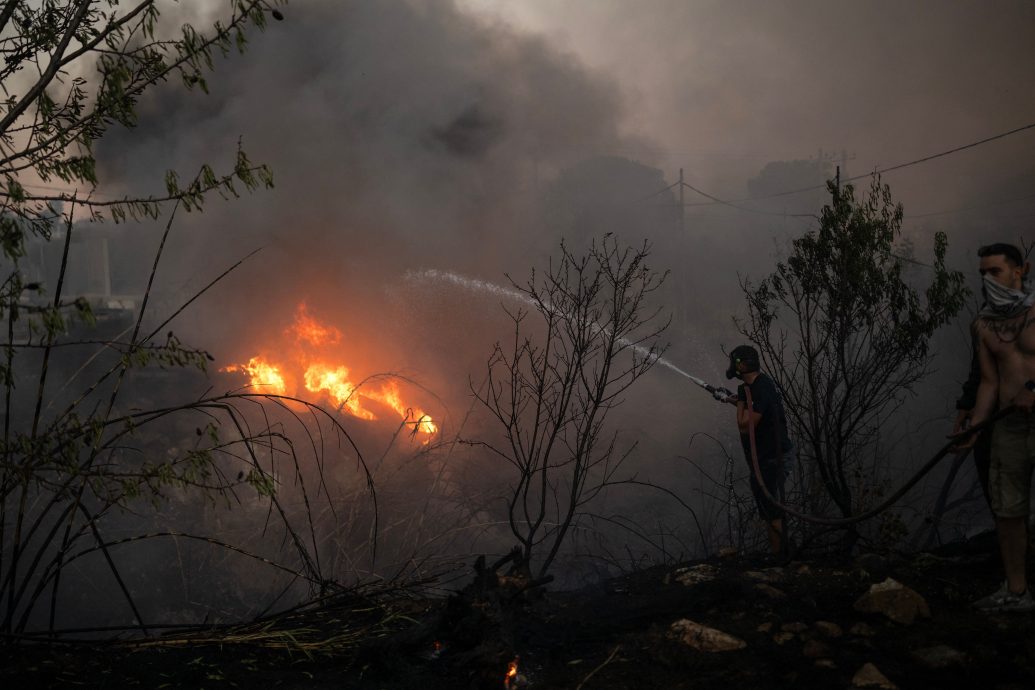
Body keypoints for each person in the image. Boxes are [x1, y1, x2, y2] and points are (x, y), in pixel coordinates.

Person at [958, 242, 1035, 613]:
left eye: (996, 271)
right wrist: (974, 425)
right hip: (1009, 427)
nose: (988, 279)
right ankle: (1016, 591)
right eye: (983, 274)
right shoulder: (984, 325)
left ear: (1020, 270)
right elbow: (988, 382)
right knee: (1007, 511)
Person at [723, 344, 793, 556]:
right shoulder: (757, 387)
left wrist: (742, 400)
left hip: (773, 457)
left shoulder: (760, 389)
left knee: (771, 508)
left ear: (742, 365)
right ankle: (781, 552)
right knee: (768, 506)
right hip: (768, 456)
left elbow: (745, 425)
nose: (733, 366)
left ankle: (779, 557)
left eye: (735, 362)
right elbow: (754, 412)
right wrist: (737, 400)